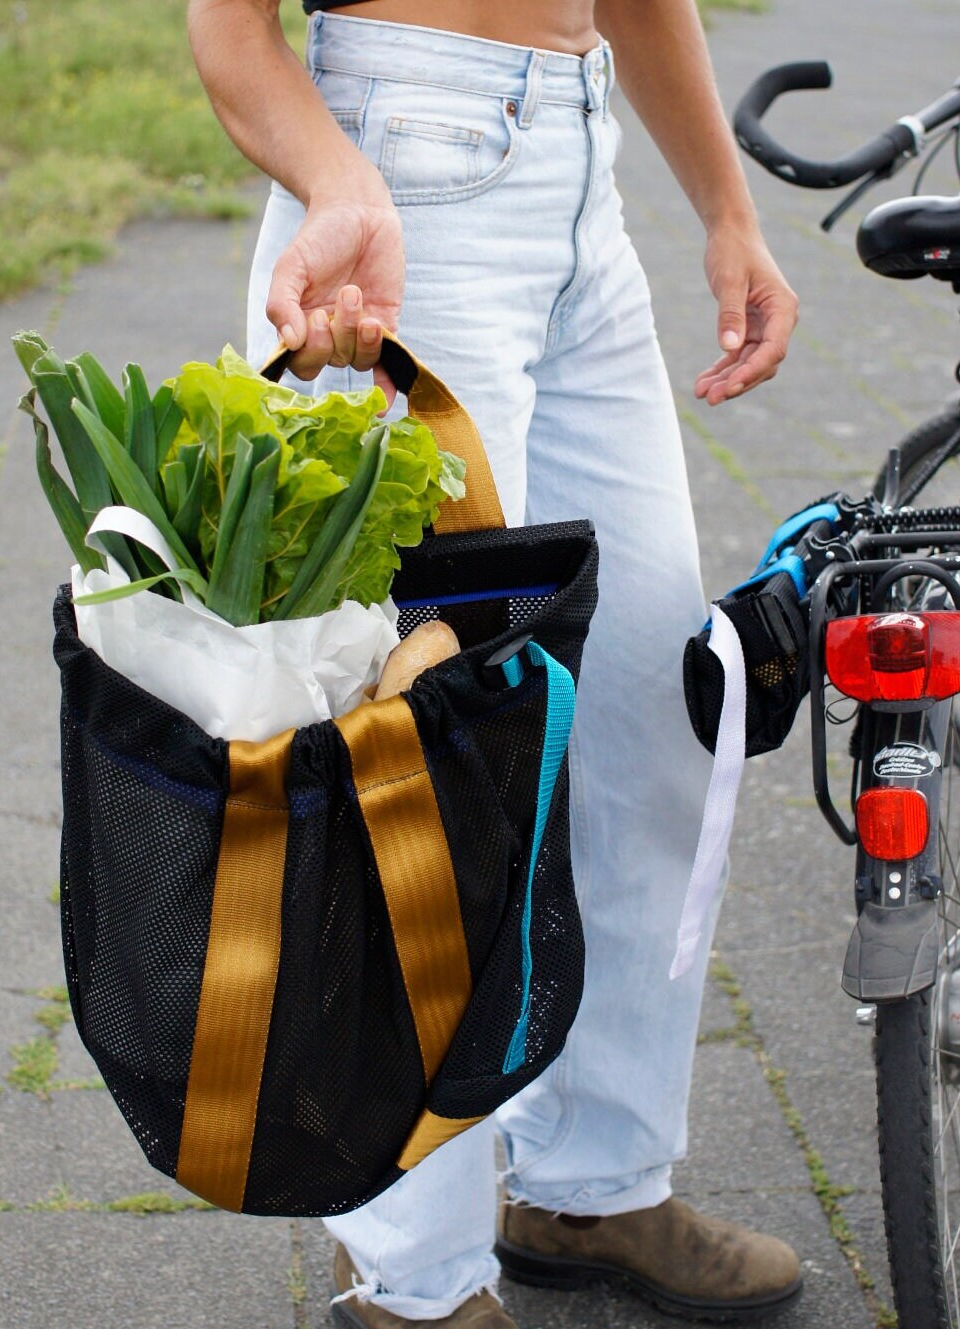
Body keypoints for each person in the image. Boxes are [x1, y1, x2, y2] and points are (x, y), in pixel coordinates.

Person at [187, 1, 801, 1324]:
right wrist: (340, 173)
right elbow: (230, 32)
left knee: (653, 704)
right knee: (429, 758)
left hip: (583, 186)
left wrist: (726, 210)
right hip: (408, 175)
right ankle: (415, 1279)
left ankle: (593, 1183)